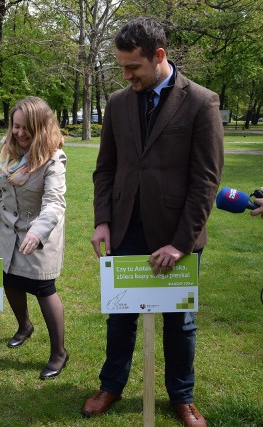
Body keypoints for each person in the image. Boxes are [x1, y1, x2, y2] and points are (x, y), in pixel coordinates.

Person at [83, 17, 223, 427]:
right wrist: (103, 220)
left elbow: (205, 181)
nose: (127, 76)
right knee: (120, 316)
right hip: (126, 229)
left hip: (178, 235)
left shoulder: (201, 101)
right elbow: (105, 169)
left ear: (159, 56)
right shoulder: (118, 102)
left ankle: (182, 397)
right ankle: (111, 386)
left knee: (180, 323)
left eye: (133, 68)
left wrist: (181, 242)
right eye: (121, 68)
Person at [0, 96, 68, 380]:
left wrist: (38, 232)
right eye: (16, 126)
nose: (20, 133)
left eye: (27, 129)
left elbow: (54, 203)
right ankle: (24, 326)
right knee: (9, 279)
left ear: (41, 128)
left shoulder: (53, 158)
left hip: (39, 232)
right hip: (8, 230)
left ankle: (59, 353)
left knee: (43, 287)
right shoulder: (7, 152)